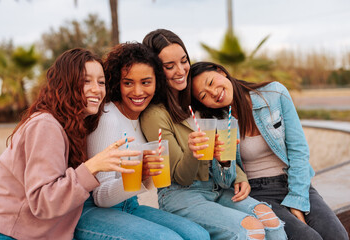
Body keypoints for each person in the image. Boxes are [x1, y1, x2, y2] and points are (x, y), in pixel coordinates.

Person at [141, 28, 287, 240]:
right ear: (156, 70)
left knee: (270, 221)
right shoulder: (155, 114)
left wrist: (237, 173)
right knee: (250, 229)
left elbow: (223, 156)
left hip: (218, 188)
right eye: (169, 66)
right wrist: (195, 151)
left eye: (183, 61)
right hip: (181, 196)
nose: (181, 70)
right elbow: (181, 177)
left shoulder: (198, 98)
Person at [0, 48, 142, 240]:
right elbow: (43, 201)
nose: (97, 89)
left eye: (101, 82)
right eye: (86, 81)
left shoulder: (72, 125)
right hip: (11, 234)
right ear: (66, 83)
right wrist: (92, 166)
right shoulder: (46, 125)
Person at [189, 61, 349, 240]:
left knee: (338, 235)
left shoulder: (274, 93)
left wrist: (297, 200)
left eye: (211, 83)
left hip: (293, 181)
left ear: (221, 72)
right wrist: (223, 161)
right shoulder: (214, 123)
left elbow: (298, 150)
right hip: (257, 192)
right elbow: (224, 182)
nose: (213, 93)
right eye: (203, 96)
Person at [75, 42, 210, 240]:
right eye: (128, 83)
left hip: (130, 205)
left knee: (198, 235)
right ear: (116, 83)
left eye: (146, 82)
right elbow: (100, 197)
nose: (138, 92)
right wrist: (141, 177)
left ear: (157, 83)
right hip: (93, 211)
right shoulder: (107, 118)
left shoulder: (144, 117)